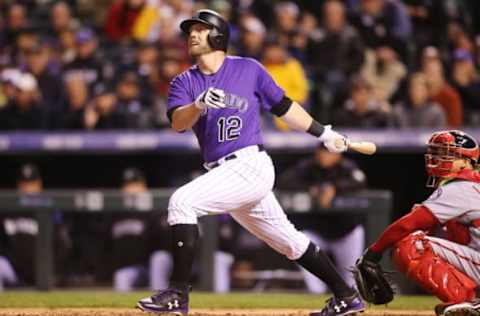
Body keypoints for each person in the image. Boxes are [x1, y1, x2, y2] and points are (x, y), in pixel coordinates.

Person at [136, 9, 364, 316]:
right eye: (190, 30)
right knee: (290, 242)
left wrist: (323, 133)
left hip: (249, 164)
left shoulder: (248, 69)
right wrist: (198, 104)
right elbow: (178, 123)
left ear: (218, 35)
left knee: (181, 202)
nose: (192, 34)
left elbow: (283, 107)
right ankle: (346, 295)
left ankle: (177, 294)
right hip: (223, 171)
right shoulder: (183, 81)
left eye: (200, 29)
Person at [357, 130, 480, 316]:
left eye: (447, 153)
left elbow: (407, 226)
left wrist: (373, 253)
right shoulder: (471, 184)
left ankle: (466, 302)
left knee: (411, 243)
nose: (437, 158)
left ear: (466, 161)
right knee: (439, 233)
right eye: (436, 152)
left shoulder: (461, 187)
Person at [278, 143, 367, 294]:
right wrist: (311, 189)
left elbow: (360, 182)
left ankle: (350, 303)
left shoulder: (347, 167)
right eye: (322, 151)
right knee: (301, 243)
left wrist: (334, 188)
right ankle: (317, 296)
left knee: (351, 280)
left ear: (338, 154)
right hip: (316, 231)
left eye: (329, 152)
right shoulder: (307, 167)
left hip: (345, 232)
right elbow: (284, 181)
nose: (325, 155)